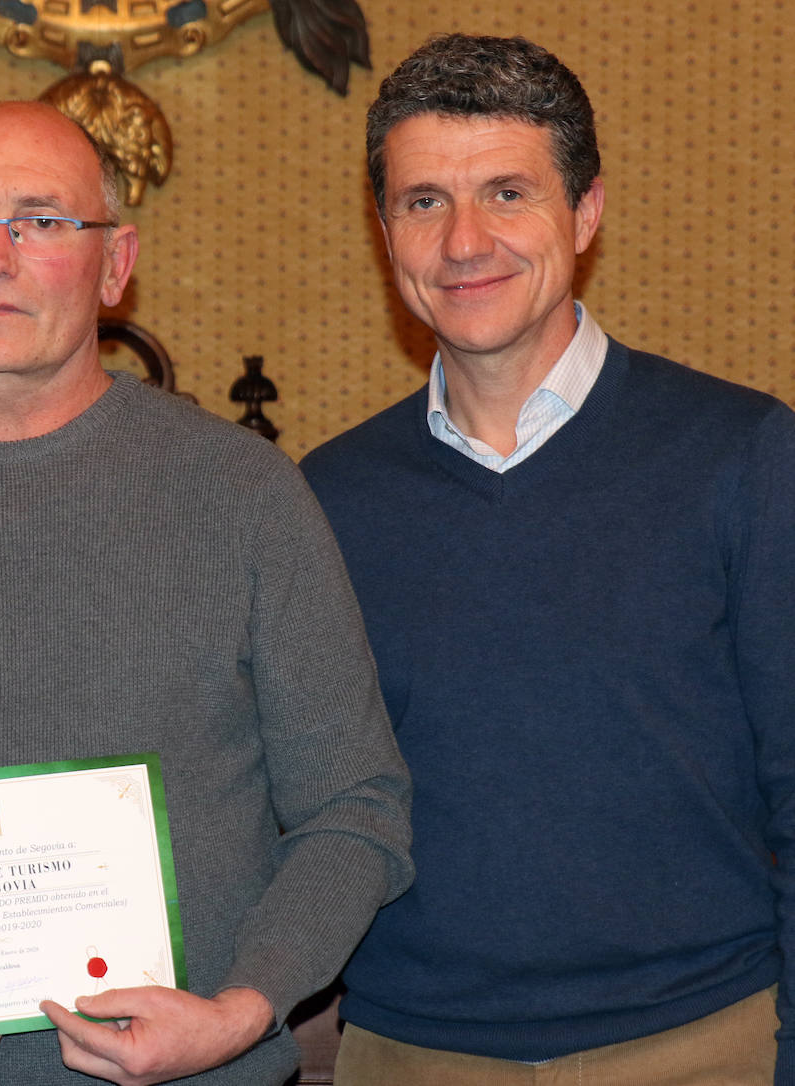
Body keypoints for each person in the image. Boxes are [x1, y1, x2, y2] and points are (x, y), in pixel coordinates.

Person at [0, 100, 413, 1085]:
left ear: (114, 265)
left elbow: (354, 811)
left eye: (42, 221)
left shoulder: (246, 497)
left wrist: (240, 1012)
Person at [300, 33, 795, 1085]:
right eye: (424, 201)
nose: (464, 241)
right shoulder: (324, 496)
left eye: (508, 193)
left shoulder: (743, 453)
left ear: (586, 212)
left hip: (705, 1042)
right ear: (386, 233)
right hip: (409, 1052)